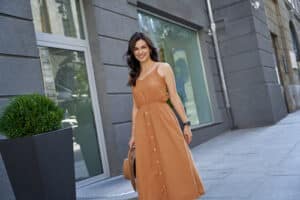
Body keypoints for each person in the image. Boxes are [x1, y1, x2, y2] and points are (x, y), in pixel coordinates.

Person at [126, 32, 205, 200]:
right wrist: (133, 134)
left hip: (164, 121)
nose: (140, 52)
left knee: (174, 159)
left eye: (143, 47)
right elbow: (135, 107)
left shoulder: (163, 68)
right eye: (136, 49)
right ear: (132, 52)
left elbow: (175, 97)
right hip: (142, 126)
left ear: (149, 48)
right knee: (149, 167)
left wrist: (186, 123)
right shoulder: (133, 76)